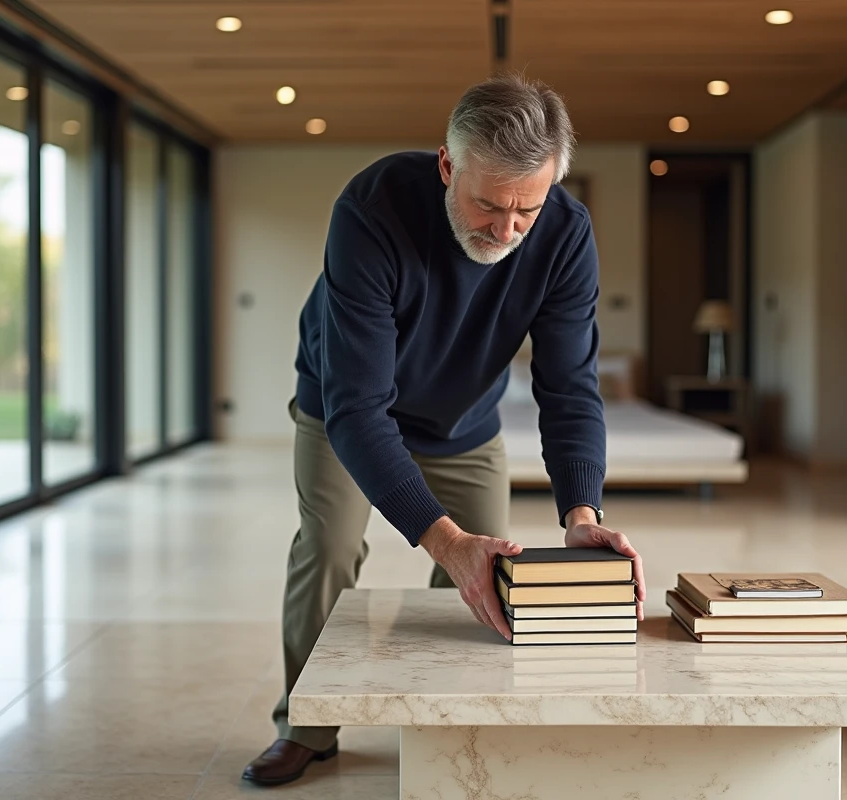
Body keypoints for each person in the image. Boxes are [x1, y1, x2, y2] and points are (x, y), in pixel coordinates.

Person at [242, 73, 648, 788]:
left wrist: (582, 512)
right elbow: (359, 408)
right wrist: (445, 538)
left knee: (489, 575)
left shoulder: (565, 234)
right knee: (332, 542)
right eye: (489, 204)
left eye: (528, 208)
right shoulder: (372, 210)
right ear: (446, 165)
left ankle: (446, 726)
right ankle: (306, 725)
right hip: (344, 406)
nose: (507, 229)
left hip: (463, 420)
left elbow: (569, 385)